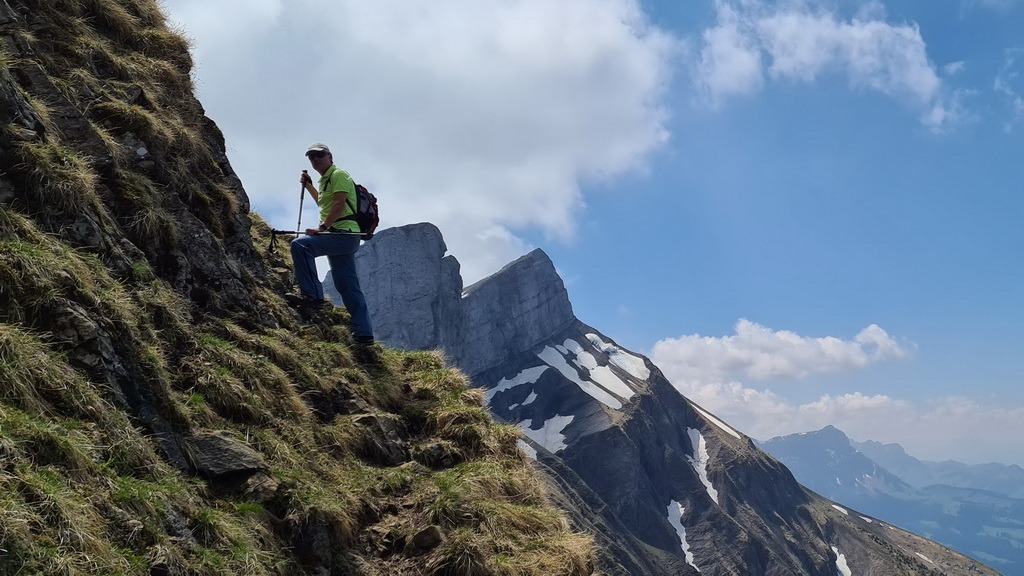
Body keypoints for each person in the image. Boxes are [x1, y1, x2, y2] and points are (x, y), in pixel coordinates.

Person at [287, 143, 374, 345]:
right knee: (347, 285)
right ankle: (364, 334)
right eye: (312, 157)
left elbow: (339, 204)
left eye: (320, 155)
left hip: (344, 235)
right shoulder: (326, 181)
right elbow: (325, 204)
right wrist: (309, 187)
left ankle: (313, 296)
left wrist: (323, 228)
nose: (316, 159)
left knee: (301, 246)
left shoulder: (339, 175)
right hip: (343, 237)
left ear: (330, 157)